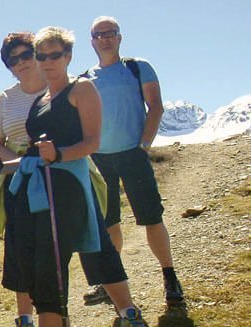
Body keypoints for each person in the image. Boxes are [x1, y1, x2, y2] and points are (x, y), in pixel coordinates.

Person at [0, 27, 150, 327]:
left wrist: (57, 154)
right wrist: (3, 161)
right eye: (39, 56)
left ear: (68, 56)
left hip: (66, 189)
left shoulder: (81, 89)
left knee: (58, 269)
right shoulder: (41, 98)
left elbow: (92, 141)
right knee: (46, 272)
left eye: (49, 55)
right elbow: (25, 149)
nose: (41, 62)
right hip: (34, 189)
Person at [84, 15, 184, 306]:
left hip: (132, 153)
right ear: (92, 41)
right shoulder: (85, 79)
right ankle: (111, 282)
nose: (105, 38)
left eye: (110, 33)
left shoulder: (137, 67)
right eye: (99, 34)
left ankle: (169, 276)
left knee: (151, 216)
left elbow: (156, 107)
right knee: (109, 221)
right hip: (100, 157)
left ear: (119, 37)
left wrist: (144, 145)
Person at [0, 32, 45, 327]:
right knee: (21, 252)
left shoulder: (57, 88)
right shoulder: (6, 98)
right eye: (13, 59)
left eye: (26, 55)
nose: (21, 62)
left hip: (56, 178)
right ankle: (25, 321)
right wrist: (18, 160)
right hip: (17, 181)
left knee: (52, 251)